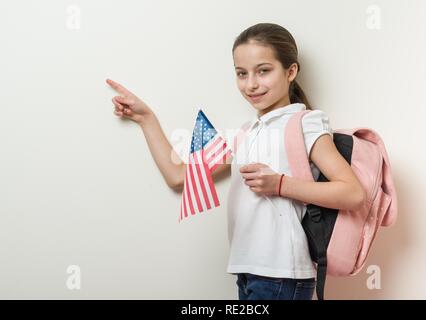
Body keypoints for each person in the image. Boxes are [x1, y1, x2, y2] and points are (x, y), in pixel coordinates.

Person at [106, 22, 366, 300]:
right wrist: (147, 118)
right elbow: (178, 176)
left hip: (282, 274)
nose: (251, 84)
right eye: (242, 73)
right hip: (248, 271)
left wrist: (279, 184)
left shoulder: (304, 122)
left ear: (291, 71)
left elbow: (352, 193)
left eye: (263, 71)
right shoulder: (245, 133)